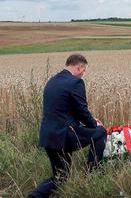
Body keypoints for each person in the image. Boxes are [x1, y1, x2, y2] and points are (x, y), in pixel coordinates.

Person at [28, 53, 107, 198]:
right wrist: (94, 123)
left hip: (48, 136)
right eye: (83, 71)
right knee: (100, 132)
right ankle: (92, 174)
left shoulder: (52, 81)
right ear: (79, 67)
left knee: (60, 177)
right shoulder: (75, 82)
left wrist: (88, 120)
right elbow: (82, 110)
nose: (83, 74)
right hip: (65, 136)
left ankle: (34, 196)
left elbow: (64, 109)